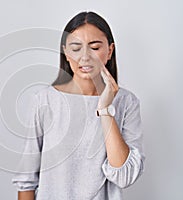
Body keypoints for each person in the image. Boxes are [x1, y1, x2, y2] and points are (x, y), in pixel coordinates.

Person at [12, 11, 145, 200]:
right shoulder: (44, 100)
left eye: (95, 47)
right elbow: (26, 180)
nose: (85, 57)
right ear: (65, 52)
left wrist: (106, 109)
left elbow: (124, 177)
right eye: (76, 48)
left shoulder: (127, 103)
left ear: (109, 51)